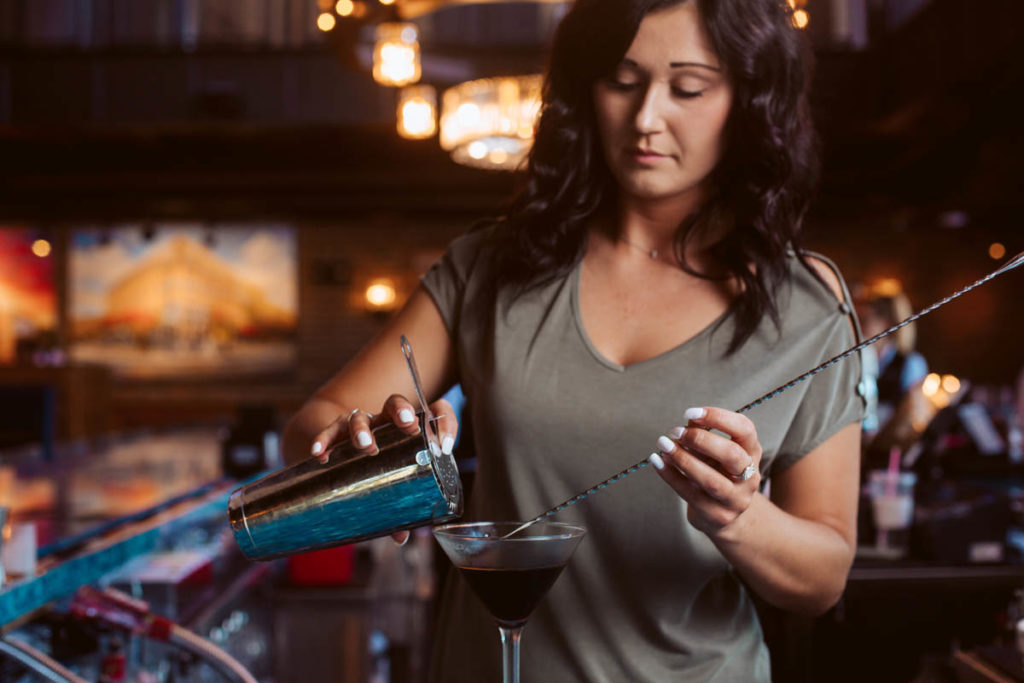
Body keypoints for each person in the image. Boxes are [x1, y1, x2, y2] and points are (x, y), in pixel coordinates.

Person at [282, 0, 865, 680]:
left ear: (748, 100)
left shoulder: (805, 305)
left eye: (688, 87)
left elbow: (824, 575)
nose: (647, 117)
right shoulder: (493, 265)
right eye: (623, 79)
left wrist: (740, 514)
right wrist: (369, 454)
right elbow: (308, 432)